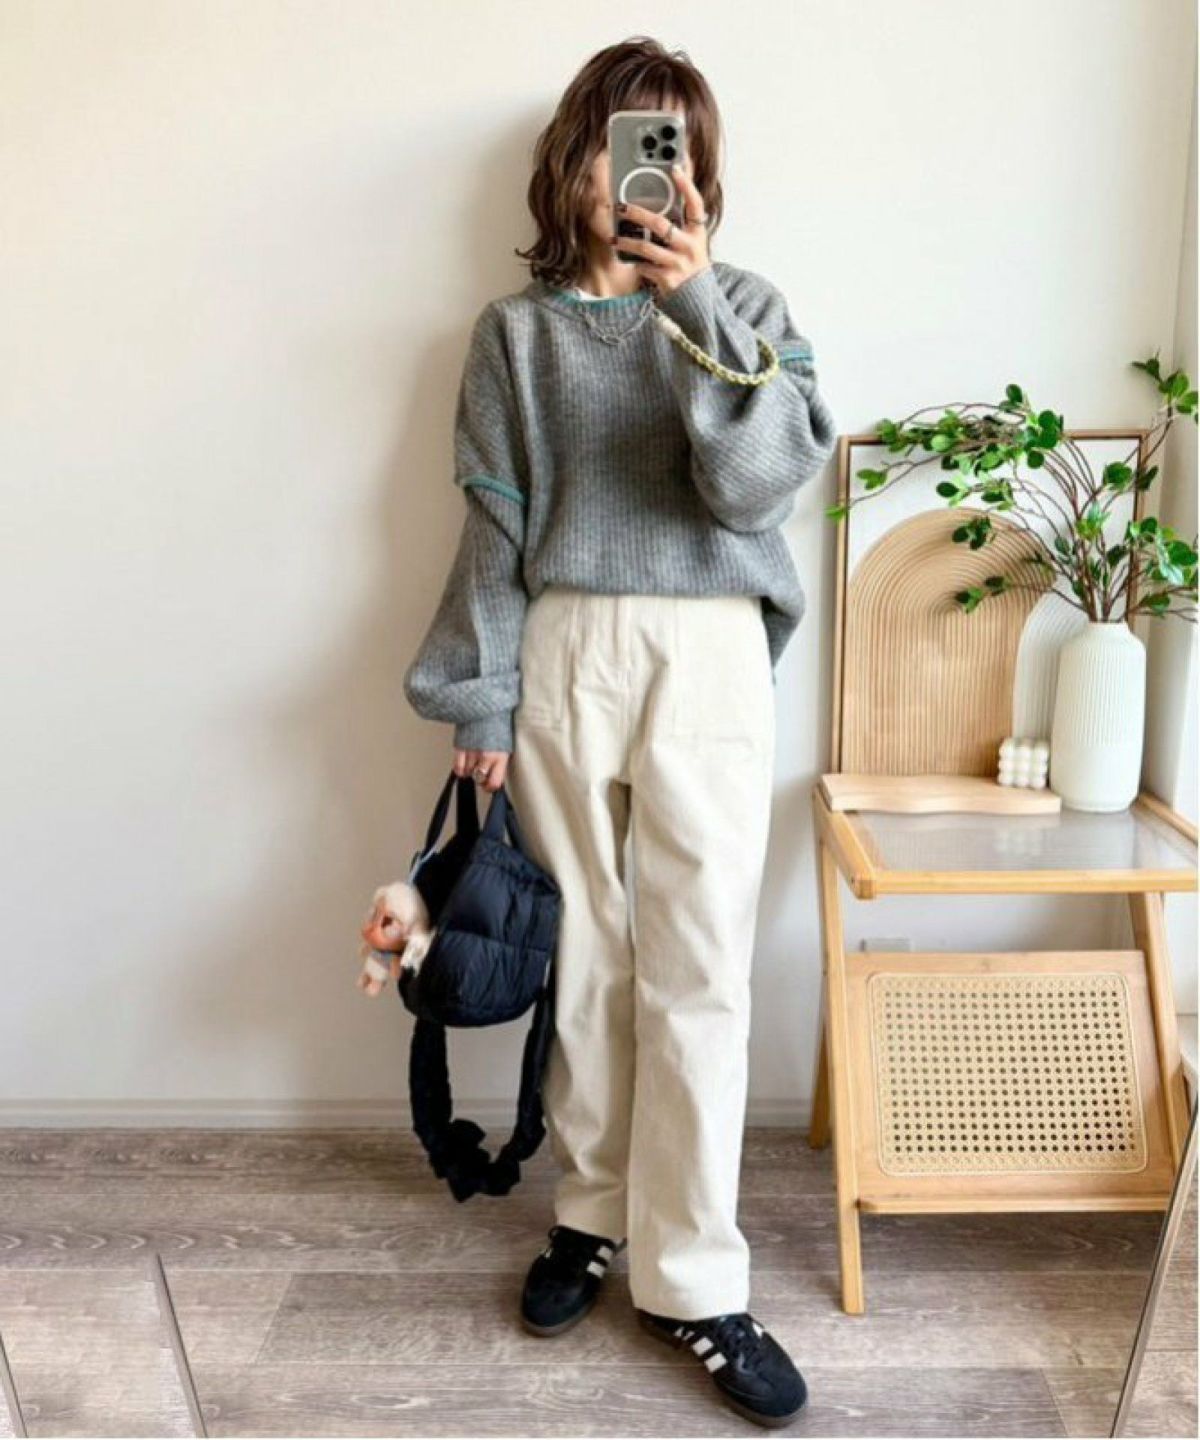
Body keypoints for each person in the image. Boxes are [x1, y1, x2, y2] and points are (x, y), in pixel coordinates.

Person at [402, 36, 835, 1430]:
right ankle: (589, 1215)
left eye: (675, 149)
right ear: (573, 157)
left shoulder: (744, 305)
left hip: (710, 649)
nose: (649, 172)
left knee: (701, 963)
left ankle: (695, 1278)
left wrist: (689, 296)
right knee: (584, 954)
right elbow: (494, 531)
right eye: (627, 142)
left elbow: (757, 488)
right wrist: (480, 693)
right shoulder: (513, 337)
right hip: (568, 643)